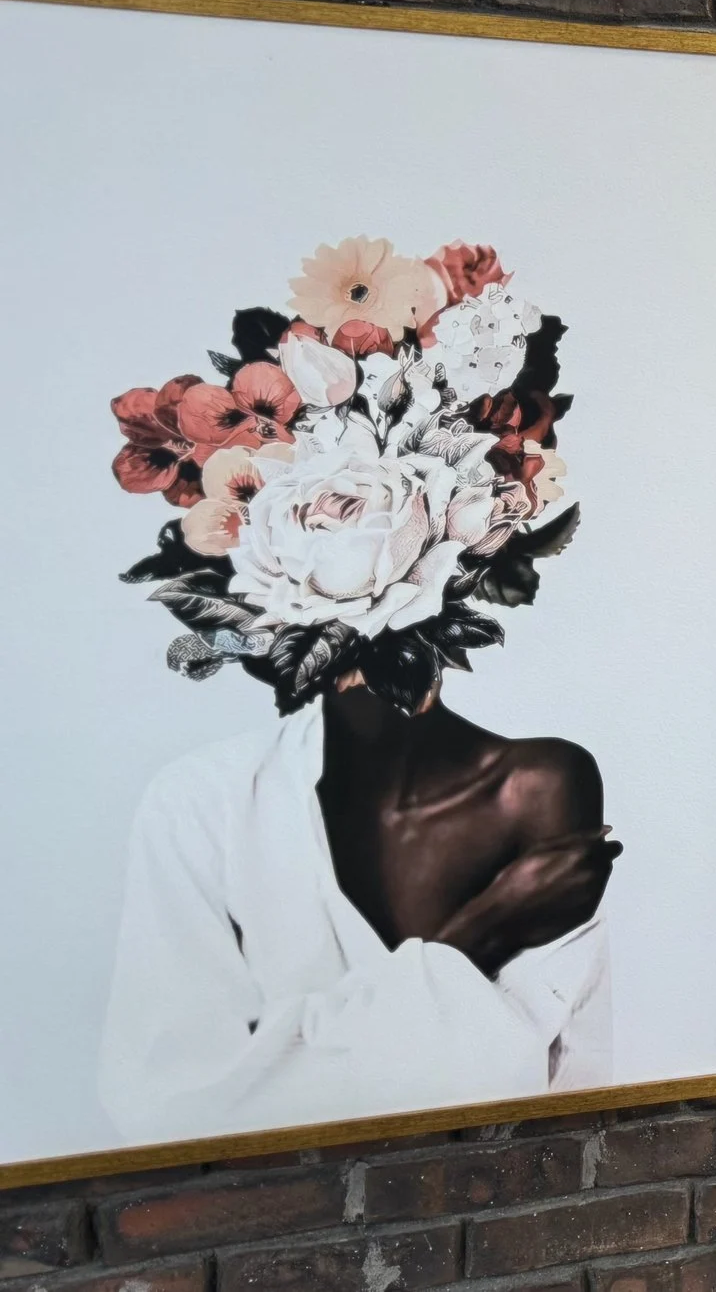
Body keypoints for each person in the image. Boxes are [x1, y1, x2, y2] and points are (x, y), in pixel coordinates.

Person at [98, 236, 615, 1143]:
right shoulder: (201, 810)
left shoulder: (542, 789)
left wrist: (295, 1050)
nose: (334, 525)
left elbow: (556, 1108)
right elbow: (167, 1113)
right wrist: (480, 935)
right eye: (309, 512)